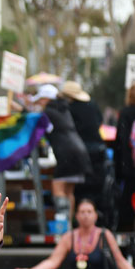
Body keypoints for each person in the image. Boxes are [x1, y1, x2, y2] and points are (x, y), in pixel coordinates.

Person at [31, 83, 91, 220]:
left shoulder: (48, 112)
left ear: (47, 98)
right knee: (69, 191)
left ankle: (63, 224)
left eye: (41, 99)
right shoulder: (63, 109)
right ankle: (68, 225)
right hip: (79, 151)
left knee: (57, 187)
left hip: (66, 153)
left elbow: (35, 124)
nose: (39, 102)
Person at [63, 81, 109, 223]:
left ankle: (79, 218)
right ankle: (96, 216)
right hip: (98, 149)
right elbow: (100, 122)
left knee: (79, 187)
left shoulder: (69, 109)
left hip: (80, 151)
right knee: (97, 187)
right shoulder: (93, 105)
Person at [114, 83, 135, 230]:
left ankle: (126, 224)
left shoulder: (125, 113)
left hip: (129, 161)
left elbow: (121, 139)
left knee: (128, 195)